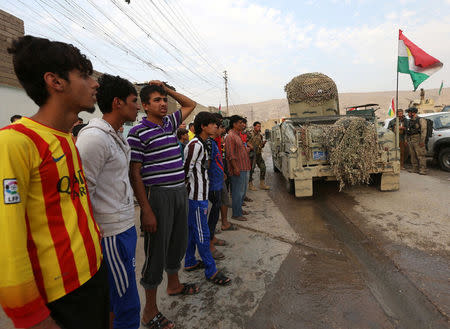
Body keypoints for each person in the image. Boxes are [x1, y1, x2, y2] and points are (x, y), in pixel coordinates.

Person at [0, 35, 108, 329]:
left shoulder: (67, 139)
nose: (95, 83)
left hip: (93, 278)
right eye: (85, 75)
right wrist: (32, 318)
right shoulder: (15, 142)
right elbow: (6, 241)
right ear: (55, 82)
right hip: (59, 297)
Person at [127, 81, 197, 329]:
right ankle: (149, 311)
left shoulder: (169, 124)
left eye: (164, 99)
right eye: (157, 100)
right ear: (145, 106)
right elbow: (135, 174)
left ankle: (174, 284)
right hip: (158, 196)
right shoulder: (138, 133)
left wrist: (167, 89)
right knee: (156, 251)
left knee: (177, 243)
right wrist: (146, 209)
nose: (163, 103)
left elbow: (190, 104)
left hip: (179, 192)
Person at [76, 74, 141, 329]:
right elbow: (83, 192)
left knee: (119, 299)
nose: (138, 106)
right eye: (134, 101)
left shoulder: (115, 134)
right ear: (117, 103)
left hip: (123, 227)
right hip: (110, 233)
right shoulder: (94, 138)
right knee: (126, 305)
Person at [183, 112, 232, 285]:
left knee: (191, 231)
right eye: (212, 124)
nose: (215, 127)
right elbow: (185, 171)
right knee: (202, 234)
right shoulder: (195, 145)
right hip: (196, 197)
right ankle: (211, 271)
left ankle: (189, 261)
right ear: (203, 126)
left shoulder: (204, 144)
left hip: (200, 195)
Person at [206, 113, 228, 259]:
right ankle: (209, 243)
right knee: (213, 213)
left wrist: (222, 173)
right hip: (213, 184)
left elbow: (216, 161)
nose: (219, 128)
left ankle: (212, 237)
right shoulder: (207, 143)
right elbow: (206, 166)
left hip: (218, 181)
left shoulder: (213, 142)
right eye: (216, 125)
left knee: (216, 211)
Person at [225, 115, 251, 221]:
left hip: (244, 167)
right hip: (238, 168)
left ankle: (239, 209)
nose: (243, 124)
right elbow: (231, 155)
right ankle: (236, 214)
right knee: (237, 192)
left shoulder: (237, 135)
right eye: (240, 123)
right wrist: (235, 168)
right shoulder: (231, 136)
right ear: (234, 124)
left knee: (241, 191)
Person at [248, 121, 270, 190]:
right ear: (254, 126)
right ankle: (250, 184)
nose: (259, 127)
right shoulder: (250, 134)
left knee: (263, 167)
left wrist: (263, 144)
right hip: (251, 154)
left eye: (260, 126)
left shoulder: (260, 135)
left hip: (258, 154)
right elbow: (245, 142)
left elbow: (261, 145)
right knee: (251, 169)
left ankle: (262, 184)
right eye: (258, 126)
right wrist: (250, 146)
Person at [406, 107, 427, 175]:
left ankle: (423, 170)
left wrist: (422, 141)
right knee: (413, 155)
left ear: (413, 113)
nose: (408, 114)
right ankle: (415, 168)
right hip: (411, 139)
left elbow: (424, 131)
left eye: (409, 112)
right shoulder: (410, 121)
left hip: (418, 139)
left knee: (420, 155)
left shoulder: (421, 120)